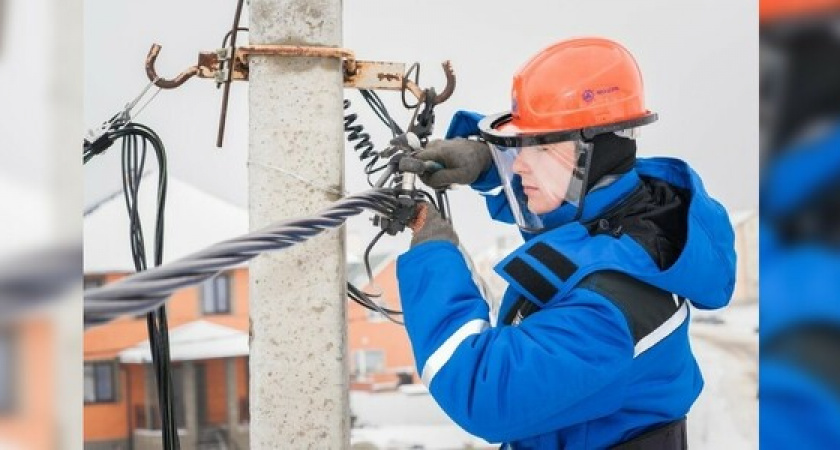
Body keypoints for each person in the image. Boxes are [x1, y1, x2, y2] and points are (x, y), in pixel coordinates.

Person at [395, 37, 736, 449]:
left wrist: (432, 253)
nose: (520, 165)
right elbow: (565, 212)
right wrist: (490, 162)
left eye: (540, 147)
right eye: (519, 148)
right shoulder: (633, 222)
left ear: (596, 155)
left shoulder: (613, 306)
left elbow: (483, 389)